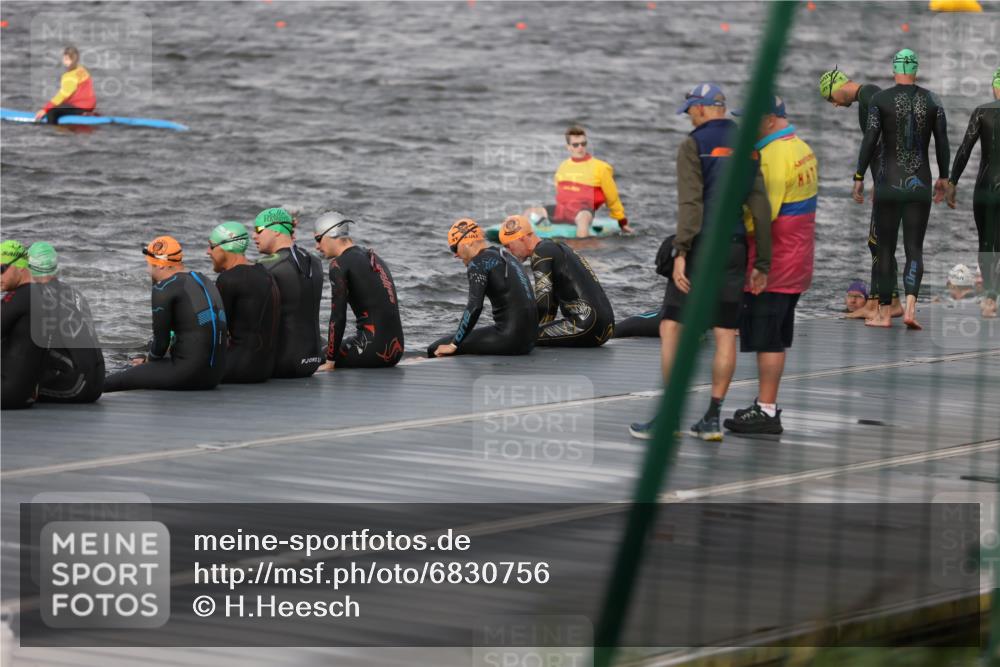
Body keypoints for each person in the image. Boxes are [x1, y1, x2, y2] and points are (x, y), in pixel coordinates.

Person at [630, 82, 772, 441]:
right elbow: (760, 205)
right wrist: (763, 263)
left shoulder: (692, 145)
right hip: (735, 246)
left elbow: (690, 206)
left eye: (691, 110)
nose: (689, 118)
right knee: (725, 332)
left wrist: (680, 252)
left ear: (705, 108)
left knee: (672, 327)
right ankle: (711, 419)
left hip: (702, 246)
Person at [724, 96, 817, 435]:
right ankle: (766, 404)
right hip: (798, 258)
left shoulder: (773, 156)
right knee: (776, 336)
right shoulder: (801, 148)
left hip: (774, 263)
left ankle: (766, 409)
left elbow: (765, 214)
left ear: (767, 119)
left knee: (767, 339)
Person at [853, 48, 950, 330]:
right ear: (915, 70)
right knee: (914, 248)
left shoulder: (880, 99)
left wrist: (859, 175)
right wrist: (944, 178)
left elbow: (870, 139)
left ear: (894, 70)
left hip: (888, 183)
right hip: (920, 182)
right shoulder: (934, 100)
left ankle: (883, 314)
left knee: (885, 249)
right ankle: (909, 309)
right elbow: (942, 143)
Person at [820, 66, 903, 319]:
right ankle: (888, 301)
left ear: (836, 87)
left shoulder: (870, 94)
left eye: (830, 98)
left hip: (889, 179)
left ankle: (880, 303)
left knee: (878, 242)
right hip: (889, 177)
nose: (834, 105)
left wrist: (865, 176)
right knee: (880, 242)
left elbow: (882, 139)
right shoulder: (867, 98)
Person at [104, 236, 226, 392]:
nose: (148, 270)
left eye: (149, 264)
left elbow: (161, 343)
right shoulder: (204, 280)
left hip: (190, 375)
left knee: (116, 378)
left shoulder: (164, 287)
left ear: (160, 265)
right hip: (215, 375)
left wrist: (148, 362)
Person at [498, 214, 614, 346]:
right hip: (606, 326)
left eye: (508, 245)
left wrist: (519, 327)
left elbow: (543, 303)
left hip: (586, 324)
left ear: (522, 238)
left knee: (516, 336)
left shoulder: (540, 254)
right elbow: (550, 305)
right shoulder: (554, 247)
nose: (509, 251)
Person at [427, 218, 537, 357]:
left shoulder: (478, 263)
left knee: (434, 348)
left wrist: (454, 345)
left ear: (468, 242)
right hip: (531, 340)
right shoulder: (507, 256)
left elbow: (474, 306)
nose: (455, 255)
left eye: (454, 248)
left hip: (510, 340)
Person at [313, 211, 405, 369]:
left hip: (372, 352)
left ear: (332, 234)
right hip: (396, 351)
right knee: (322, 342)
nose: (317, 246)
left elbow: (338, 317)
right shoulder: (372, 256)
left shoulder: (339, 264)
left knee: (313, 356)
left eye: (318, 239)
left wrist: (330, 361)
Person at [946, 67, 1000, 319]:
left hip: (985, 188)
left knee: (986, 243)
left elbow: (964, 149)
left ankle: (990, 296)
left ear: (994, 86)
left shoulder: (982, 112)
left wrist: (952, 182)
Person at [27, 242, 104, 403]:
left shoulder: (38, 296)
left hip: (75, 386)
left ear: (29, 268)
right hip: (98, 383)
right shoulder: (75, 293)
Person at [253, 207, 324, 378]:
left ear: (276, 231)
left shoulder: (268, 265)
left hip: (283, 363)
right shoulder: (314, 260)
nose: (254, 236)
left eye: (258, 230)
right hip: (313, 359)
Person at [523, 126, 630, 238]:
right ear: (569, 147)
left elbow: (612, 197)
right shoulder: (563, 166)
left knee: (583, 219)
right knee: (529, 212)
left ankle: (580, 251)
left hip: (582, 212)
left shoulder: (601, 167)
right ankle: (522, 243)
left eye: (583, 144)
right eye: (576, 145)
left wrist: (621, 222)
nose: (580, 148)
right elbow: (560, 191)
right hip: (562, 210)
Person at [208, 221, 280, 383]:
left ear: (227, 246)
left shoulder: (228, 279)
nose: (208, 252)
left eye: (211, 246)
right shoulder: (265, 274)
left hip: (236, 368)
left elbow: (215, 329)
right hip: (265, 369)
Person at [1, 240, 45, 409]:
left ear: (20, 266)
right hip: (27, 395)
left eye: (1, 269)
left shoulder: (19, 297)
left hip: (6, 393)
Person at [34, 46, 96, 125]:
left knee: (52, 112)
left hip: (81, 107)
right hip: (90, 106)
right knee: (61, 105)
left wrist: (45, 109)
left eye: (65, 59)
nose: (63, 61)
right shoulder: (82, 70)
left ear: (68, 59)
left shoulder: (69, 76)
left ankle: (53, 134)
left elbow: (62, 95)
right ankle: (87, 113)